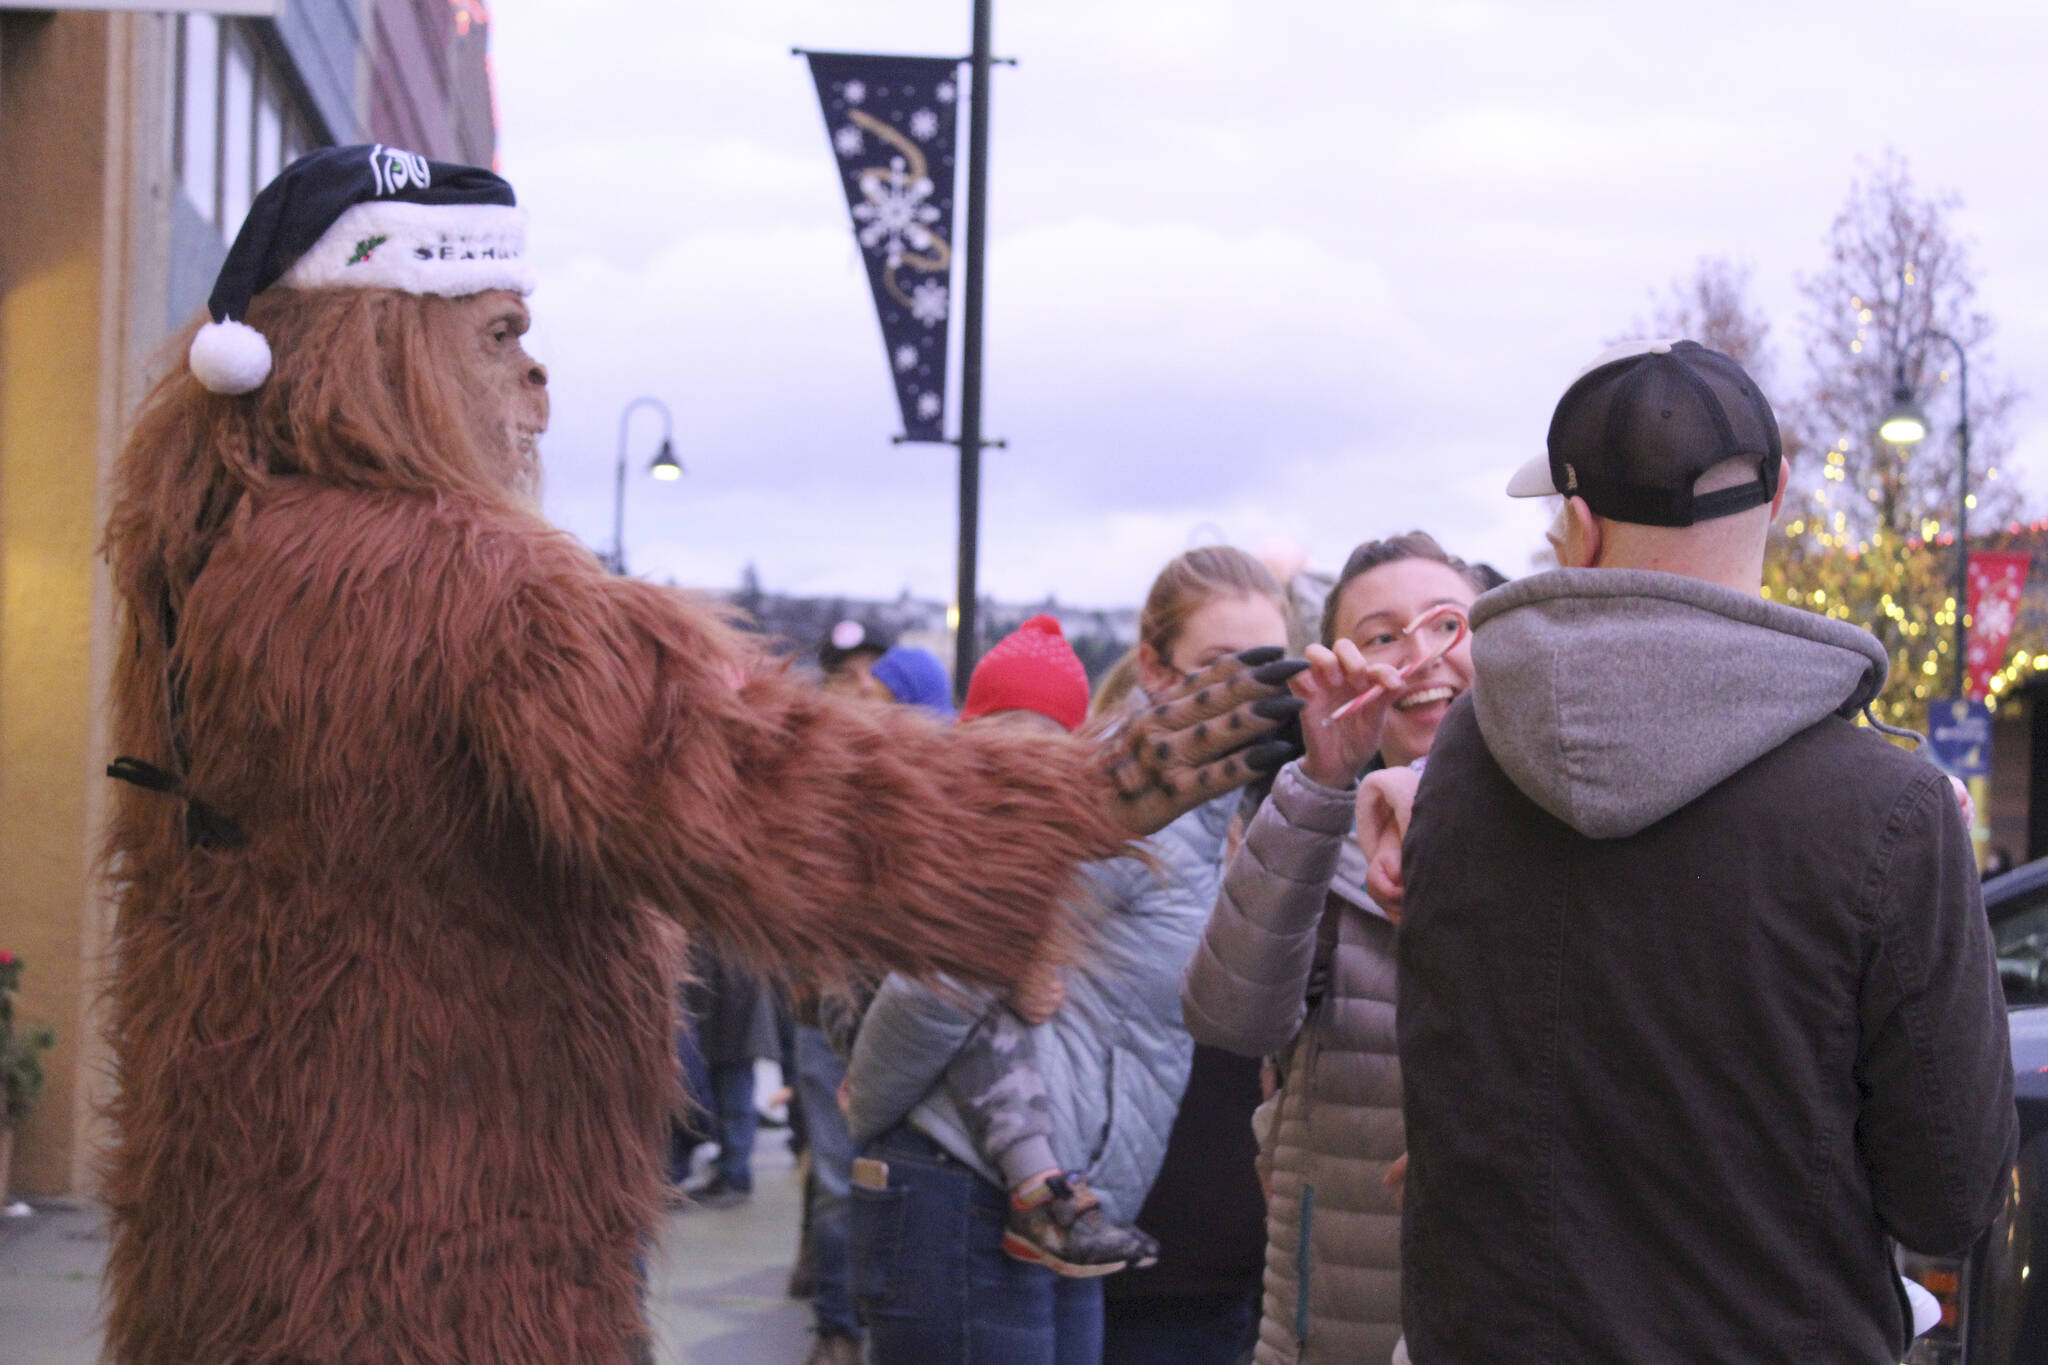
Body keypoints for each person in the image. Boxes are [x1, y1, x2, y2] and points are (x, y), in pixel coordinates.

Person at [96, 145, 1305, 1364]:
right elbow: (750, 782)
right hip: (433, 1252)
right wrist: (1075, 795)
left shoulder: (211, 562)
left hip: (241, 1228)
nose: (537, 381)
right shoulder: (461, 581)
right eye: (499, 335)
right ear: (386, 346)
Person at [1394, 339, 2017, 1363]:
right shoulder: (1889, 809)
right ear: (1777, 493)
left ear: (1579, 528)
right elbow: (1950, 1196)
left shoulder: (1463, 757)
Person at [844, 551, 1296, 1365]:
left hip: (1051, 1209)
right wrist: (870, 1108)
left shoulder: (1207, 811)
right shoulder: (1120, 803)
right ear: (1154, 668)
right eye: (1218, 668)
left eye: (1266, 667)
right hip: (971, 1189)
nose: (1243, 694)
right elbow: (944, 965)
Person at [1181, 532, 1484, 1365]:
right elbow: (1228, 1013)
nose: (1419, 656)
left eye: (1446, 624)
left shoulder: (1564, 823)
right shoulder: (1316, 836)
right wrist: (1323, 778)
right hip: (1336, 1329)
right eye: (1382, 636)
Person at [678, 946, 777, 1207]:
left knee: (734, 1106)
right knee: (728, 1105)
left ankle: (734, 1177)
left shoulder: (731, 944)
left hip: (733, 1028)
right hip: (721, 1027)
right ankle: (729, 1173)